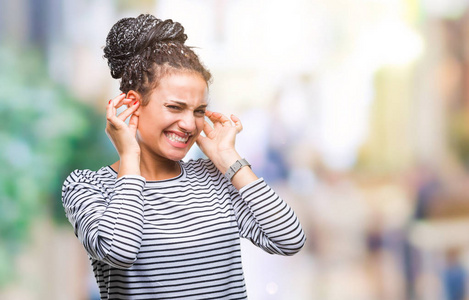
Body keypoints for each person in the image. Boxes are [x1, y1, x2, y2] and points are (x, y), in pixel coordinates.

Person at [62, 14, 306, 299]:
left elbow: (290, 240)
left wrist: (229, 158)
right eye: (175, 107)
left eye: (199, 111)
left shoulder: (215, 180)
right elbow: (119, 250)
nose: (190, 124)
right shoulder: (87, 186)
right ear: (132, 104)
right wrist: (129, 155)